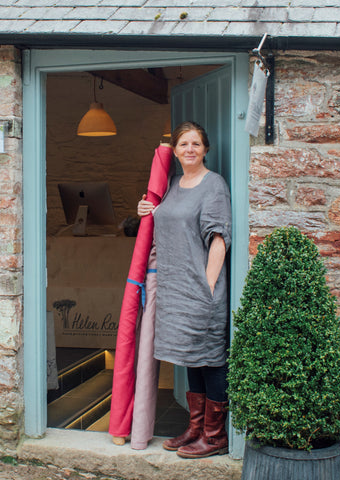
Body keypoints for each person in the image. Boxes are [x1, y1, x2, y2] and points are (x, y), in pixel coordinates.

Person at [137, 121, 231, 459]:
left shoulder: (214, 184)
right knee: (191, 358)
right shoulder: (174, 184)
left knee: (211, 359)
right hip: (175, 289)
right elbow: (167, 220)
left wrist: (208, 285)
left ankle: (215, 435)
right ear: (174, 151)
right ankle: (195, 429)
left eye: (196, 144)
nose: (189, 149)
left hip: (201, 288)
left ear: (206, 149)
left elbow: (218, 238)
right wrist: (148, 210)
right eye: (183, 144)